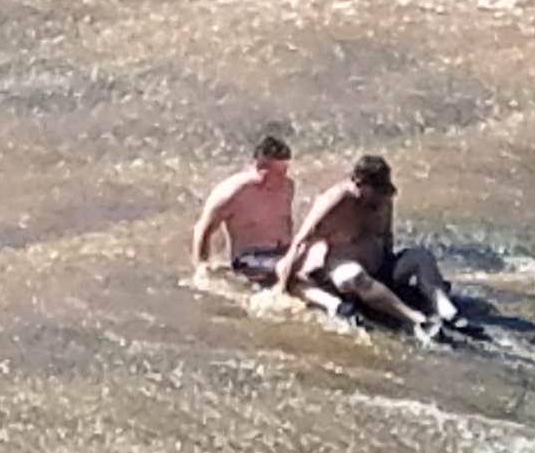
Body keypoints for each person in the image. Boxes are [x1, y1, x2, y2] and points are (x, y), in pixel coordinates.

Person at [273, 153, 459, 335]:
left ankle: (444, 307)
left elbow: (387, 237)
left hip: (380, 267)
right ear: (360, 183)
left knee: (421, 256)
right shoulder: (335, 200)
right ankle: (416, 319)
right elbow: (301, 239)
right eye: (377, 191)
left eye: (383, 191)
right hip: (346, 270)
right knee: (351, 276)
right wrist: (281, 286)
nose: (381, 197)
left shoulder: (384, 200)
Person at [190, 130, 299, 282]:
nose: (281, 179)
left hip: (283, 252)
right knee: (291, 272)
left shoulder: (287, 186)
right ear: (261, 168)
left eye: (284, 172)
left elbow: (286, 221)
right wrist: (201, 267)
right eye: (275, 174)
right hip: (250, 258)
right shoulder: (232, 193)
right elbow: (202, 229)